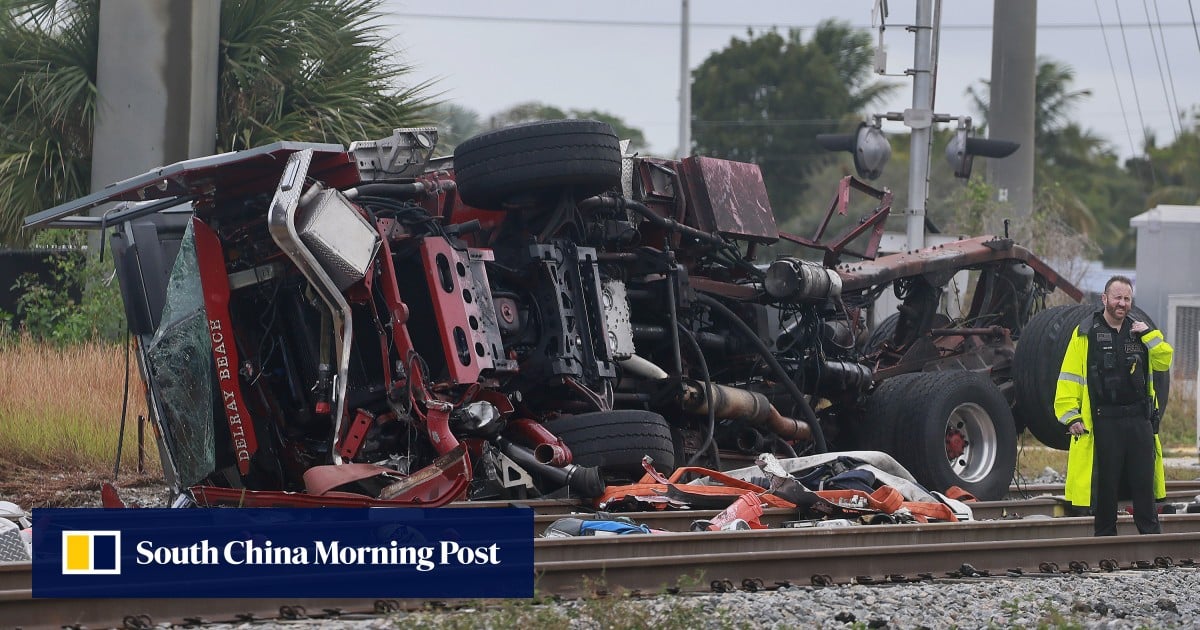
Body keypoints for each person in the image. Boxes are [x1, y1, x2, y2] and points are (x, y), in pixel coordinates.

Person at [1054, 275, 1173, 536]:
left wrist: (1150, 335)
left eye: (1127, 299)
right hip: (1103, 421)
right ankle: (1106, 539)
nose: (1122, 303)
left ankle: (1152, 537)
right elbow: (1069, 377)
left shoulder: (1141, 332)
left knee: (1144, 482)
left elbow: (1164, 360)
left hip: (1139, 419)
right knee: (1105, 484)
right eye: (1117, 297)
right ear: (1105, 299)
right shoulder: (1086, 333)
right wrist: (1071, 416)